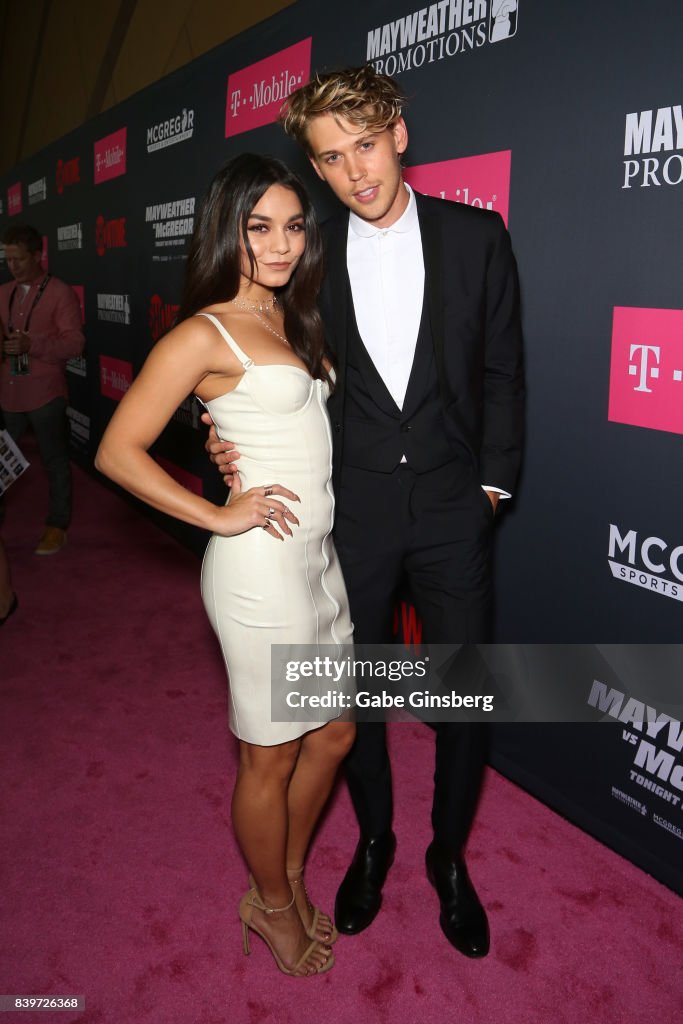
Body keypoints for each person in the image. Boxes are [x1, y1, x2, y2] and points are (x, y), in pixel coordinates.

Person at [207, 66, 525, 958]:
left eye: (366, 146)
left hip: (457, 511)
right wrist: (220, 435)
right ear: (315, 171)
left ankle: (449, 859)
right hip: (349, 514)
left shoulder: (476, 237)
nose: (356, 172)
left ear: (398, 135)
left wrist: (493, 487)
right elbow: (250, 362)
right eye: (330, 159)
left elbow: (502, 370)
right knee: (360, 702)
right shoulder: (304, 260)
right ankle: (377, 839)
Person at [96, 154, 355, 977]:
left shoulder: (293, 318)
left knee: (335, 734)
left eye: (292, 225)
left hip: (318, 562)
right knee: (268, 755)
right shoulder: (202, 331)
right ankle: (272, 902)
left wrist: (223, 439)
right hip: (258, 574)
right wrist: (214, 513)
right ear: (225, 230)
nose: (279, 245)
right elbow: (117, 450)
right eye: (258, 227)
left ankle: (282, 869)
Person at [0, 224, 84, 555]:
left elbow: (75, 344)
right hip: (8, 391)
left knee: (54, 461)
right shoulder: (3, 292)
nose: (13, 266)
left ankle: (56, 526)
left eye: (20, 259)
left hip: (45, 392)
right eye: (8, 259)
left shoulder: (59, 292)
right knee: (2, 460)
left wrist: (30, 343)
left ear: (38, 256)